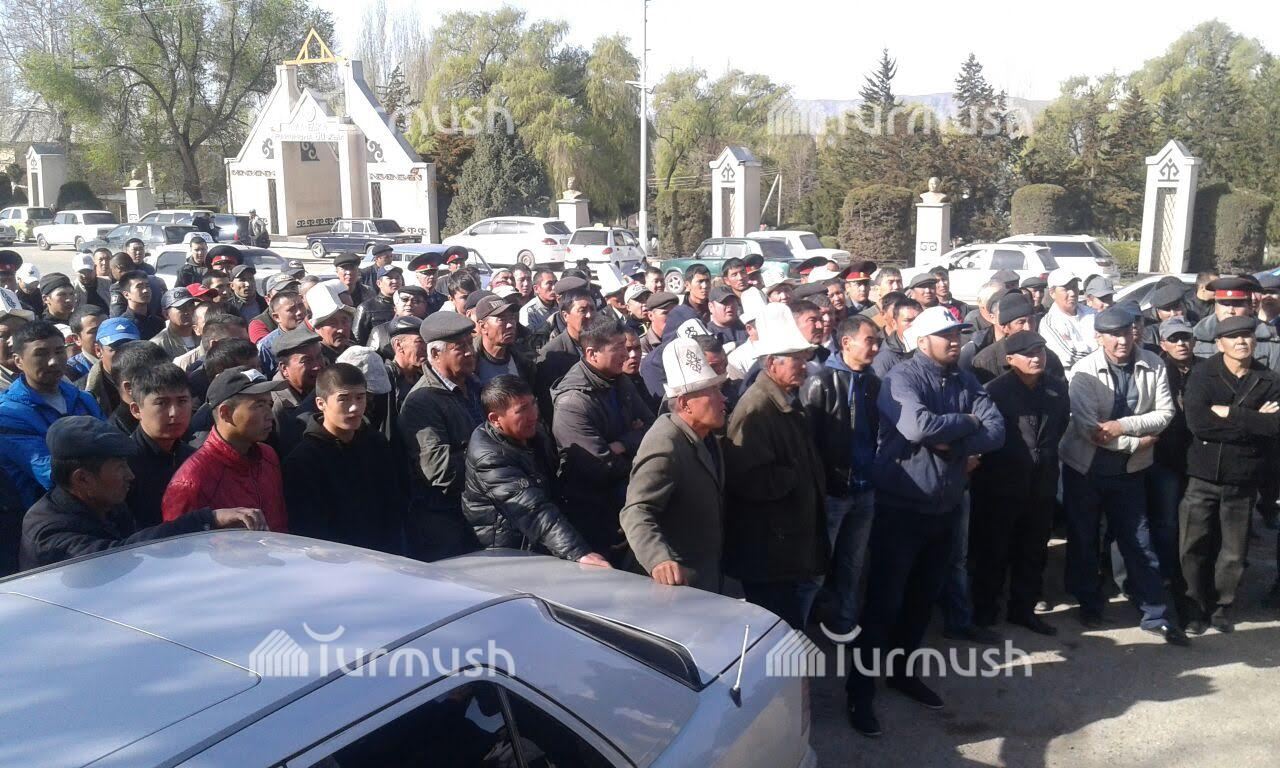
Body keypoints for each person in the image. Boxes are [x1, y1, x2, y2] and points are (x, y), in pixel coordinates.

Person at [846, 306, 1004, 737]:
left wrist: (954, 444)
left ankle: (902, 673)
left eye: (957, 333)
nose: (955, 340)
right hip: (901, 508)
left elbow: (996, 430)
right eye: (945, 334)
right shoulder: (901, 378)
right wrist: (967, 423)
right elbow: (918, 427)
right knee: (883, 604)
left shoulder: (964, 379)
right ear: (921, 341)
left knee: (921, 600)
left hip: (944, 507)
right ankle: (860, 690)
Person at [1059, 306, 1186, 644]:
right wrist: (1137, 442)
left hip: (1130, 471)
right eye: (1112, 335)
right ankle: (1089, 602)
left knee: (1138, 540)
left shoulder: (1153, 363)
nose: (1121, 341)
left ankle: (1154, 611)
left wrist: (1122, 426)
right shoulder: (1084, 371)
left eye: (1126, 333)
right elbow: (1089, 429)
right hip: (1085, 468)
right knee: (1085, 537)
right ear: (1098, 337)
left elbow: (1165, 413)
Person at [18, 416, 265, 571]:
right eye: (119, 468)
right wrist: (207, 519)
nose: (130, 475)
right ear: (82, 479)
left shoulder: (106, 503)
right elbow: (120, 554)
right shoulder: (49, 531)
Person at [724, 303, 828, 628]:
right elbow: (748, 479)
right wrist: (796, 474)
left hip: (785, 543)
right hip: (770, 548)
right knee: (777, 625)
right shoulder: (756, 409)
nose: (804, 366)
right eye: (795, 359)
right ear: (772, 363)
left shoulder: (784, 400)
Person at [1180, 315, 1280, 634]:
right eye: (1233, 337)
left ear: (1255, 340)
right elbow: (1199, 424)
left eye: (1247, 335)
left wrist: (1232, 413)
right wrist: (1252, 421)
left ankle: (1222, 606)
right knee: (1192, 545)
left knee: (1234, 551)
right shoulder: (1202, 375)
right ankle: (1194, 606)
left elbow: (1274, 426)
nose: (1241, 342)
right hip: (1202, 475)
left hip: (1243, 477)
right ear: (1219, 344)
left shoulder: (1270, 380)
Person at [968, 331, 1069, 636]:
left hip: (1041, 483)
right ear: (1011, 359)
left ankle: (1023, 609)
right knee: (993, 550)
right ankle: (985, 610)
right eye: (1029, 353)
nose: (1037, 358)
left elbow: (1060, 426)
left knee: (1033, 549)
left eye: (1040, 351)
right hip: (1000, 484)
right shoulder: (994, 391)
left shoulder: (1056, 388)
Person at [462, 375, 607, 565]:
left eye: (533, 404)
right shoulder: (489, 456)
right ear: (495, 419)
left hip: (543, 533)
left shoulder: (533, 432)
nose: (533, 415)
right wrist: (578, 552)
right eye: (522, 409)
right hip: (510, 549)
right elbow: (532, 509)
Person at [621, 337, 727, 591]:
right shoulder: (665, 443)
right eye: (712, 392)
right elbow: (636, 511)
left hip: (707, 574)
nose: (723, 399)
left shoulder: (707, 436)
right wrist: (659, 560)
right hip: (680, 585)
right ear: (684, 404)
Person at [551, 316, 655, 564]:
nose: (626, 354)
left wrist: (622, 444)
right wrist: (636, 448)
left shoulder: (620, 380)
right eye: (618, 347)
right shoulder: (573, 401)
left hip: (628, 496)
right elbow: (600, 465)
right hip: (597, 511)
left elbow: (652, 428)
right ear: (592, 353)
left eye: (626, 346)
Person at [801, 314, 881, 633]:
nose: (875, 348)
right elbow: (807, 444)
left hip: (864, 490)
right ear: (846, 342)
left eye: (878, 341)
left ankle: (844, 623)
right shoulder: (820, 382)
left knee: (853, 564)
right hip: (832, 493)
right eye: (869, 341)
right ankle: (797, 631)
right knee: (816, 568)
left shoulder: (873, 383)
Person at [283, 363, 404, 554]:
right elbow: (310, 529)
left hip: (383, 557)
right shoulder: (304, 460)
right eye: (343, 399)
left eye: (360, 397)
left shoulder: (376, 443)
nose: (354, 407)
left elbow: (393, 506)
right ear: (321, 403)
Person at [398, 312, 485, 561]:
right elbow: (439, 470)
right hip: (447, 519)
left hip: (480, 509)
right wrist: (491, 456)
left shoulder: (474, 385)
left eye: (470, 344)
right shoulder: (422, 402)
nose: (470, 352)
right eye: (460, 347)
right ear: (435, 354)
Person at [162, 365, 289, 532]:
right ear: (226, 413)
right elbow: (178, 542)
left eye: (269, 404)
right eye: (259, 405)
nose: (270, 415)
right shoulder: (191, 481)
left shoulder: (267, 456)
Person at [0, 321, 105, 510]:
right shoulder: (8, 415)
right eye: (40, 354)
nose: (53, 361)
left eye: (59, 351)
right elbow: (52, 475)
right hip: (51, 514)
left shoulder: (84, 399)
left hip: (103, 504)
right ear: (18, 361)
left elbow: (113, 446)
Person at [125, 364, 196, 528]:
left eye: (182, 401)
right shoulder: (124, 465)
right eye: (162, 403)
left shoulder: (194, 458)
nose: (174, 413)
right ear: (136, 410)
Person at [534, 283, 594, 414]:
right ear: (565, 315)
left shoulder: (602, 343)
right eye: (583, 310)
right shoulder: (551, 355)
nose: (589, 315)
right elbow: (548, 405)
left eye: (592, 309)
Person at [270, 327, 325, 452]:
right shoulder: (275, 406)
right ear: (284, 369)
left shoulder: (327, 387)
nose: (317, 366)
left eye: (319, 357)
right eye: (307, 361)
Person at [80, 318, 142, 417]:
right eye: (116, 348)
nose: (124, 354)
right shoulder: (82, 392)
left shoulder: (156, 380)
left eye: (130, 347)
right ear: (98, 350)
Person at [1041, 268, 1097, 376]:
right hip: (1073, 378)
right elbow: (1069, 356)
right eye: (1066, 289)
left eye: (1074, 287)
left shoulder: (1092, 314)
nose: (1072, 293)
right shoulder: (1049, 323)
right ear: (1052, 293)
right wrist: (1099, 350)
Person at [473, 294, 535, 385]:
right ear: (483, 326)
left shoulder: (524, 359)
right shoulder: (469, 363)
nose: (510, 325)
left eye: (512, 318)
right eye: (502, 319)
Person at [256, 289, 308, 373]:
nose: (299, 312)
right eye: (291, 309)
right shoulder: (267, 346)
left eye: (301, 305)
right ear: (277, 317)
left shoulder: (316, 331)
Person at [871, 295, 921, 379]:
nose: (915, 324)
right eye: (908, 320)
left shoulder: (932, 346)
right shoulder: (883, 360)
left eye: (919, 319)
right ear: (894, 324)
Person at [353, 265, 402, 345]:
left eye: (397, 278)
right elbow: (357, 339)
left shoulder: (406, 306)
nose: (395, 281)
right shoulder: (366, 308)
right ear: (379, 283)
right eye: (390, 278)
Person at [308, 282, 356, 364]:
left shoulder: (355, 351)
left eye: (344, 321)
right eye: (332, 324)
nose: (341, 330)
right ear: (317, 328)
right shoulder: (316, 361)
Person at [150, 288, 199, 359]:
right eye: (180, 307)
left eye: (190, 305)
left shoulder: (204, 334)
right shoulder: (158, 345)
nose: (187, 311)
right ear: (166, 314)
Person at [117, 270, 165, 338]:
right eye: (139, 286)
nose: (145, 290)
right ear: (126, 294)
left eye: (147, 286)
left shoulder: (158, 322)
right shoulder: (122, 325)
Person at [66, 305, 105, 378]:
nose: (104, 335)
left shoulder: (121, 359)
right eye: (94, 331)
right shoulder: (71, 370)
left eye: (106, 328)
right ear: (77, 339)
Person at [707, 286, 749, 354]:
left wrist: (735, 345)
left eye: (732, 301)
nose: (729, 305)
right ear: (711, 307)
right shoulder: (708, 333)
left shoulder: (746, 325)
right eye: (724, 302)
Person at [641, 291, 677, 356]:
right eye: (665, 313)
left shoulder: (682, 338)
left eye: (675, 312)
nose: (672, 316)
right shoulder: (643, 344)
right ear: (651, 316)